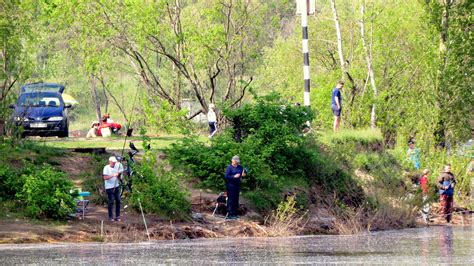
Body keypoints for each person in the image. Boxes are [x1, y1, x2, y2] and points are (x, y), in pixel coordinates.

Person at [103, 156, 123, 222]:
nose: (114, 164)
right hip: (109, 187)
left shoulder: (118, 165)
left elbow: (120, 170)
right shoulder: (106, 168)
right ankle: (110, 216)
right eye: (113, 162)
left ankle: (118, 216)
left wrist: (119, 174)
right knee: (111, 201)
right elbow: (105, 177)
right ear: (110, 162)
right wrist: (113, 175)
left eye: (115, 162)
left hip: (116, 186)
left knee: (118, 200)